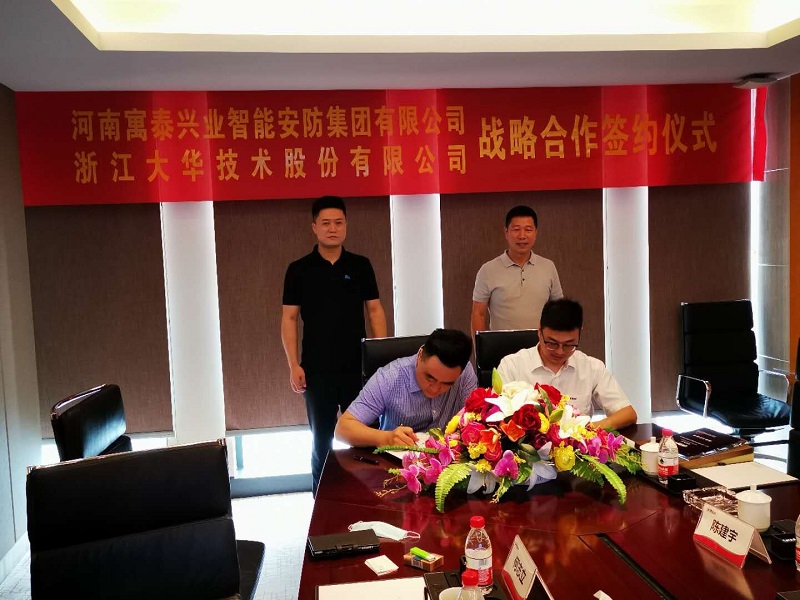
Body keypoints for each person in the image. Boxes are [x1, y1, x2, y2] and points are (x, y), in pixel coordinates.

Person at [281, 195, 387, 495]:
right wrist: (293, 364)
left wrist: (379, 359)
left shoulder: (361, 265)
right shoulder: (299, 269)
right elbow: (289, 318)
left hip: (358, 368)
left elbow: (375, 311)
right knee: (321, 442)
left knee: (367, 437)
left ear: (346, 226)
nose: (332, 228)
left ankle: (371, 497)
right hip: (317, 370)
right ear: (314, 227)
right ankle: (321, 501)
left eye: (338, 223)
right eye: (326, 223)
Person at [497, 298, 636, 430]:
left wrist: (588, 429)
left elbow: (628, 413)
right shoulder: (512, 366)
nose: (560, 351)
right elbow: (497, 420)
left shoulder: (592, 367)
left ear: (579, 333)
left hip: (576, 445)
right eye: (552, 343)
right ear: (539, 331)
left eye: (569, 344)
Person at [335, 329, 477, 448]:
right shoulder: (388, 378)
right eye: (430, 378)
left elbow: (475, 419)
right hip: (396, 462)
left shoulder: (465, 374)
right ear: (420, 355)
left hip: (450, 463)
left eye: (447, 383)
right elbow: (342, 429)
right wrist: (386, 438)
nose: (435, 389)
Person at [472, 205, 563, 337]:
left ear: (536, 233)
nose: (522, 236)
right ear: (506, 232)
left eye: (528, 230)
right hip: (501, 346)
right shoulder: (488, 270)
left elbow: (559, 310)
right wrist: (480, 349)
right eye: (516, 229)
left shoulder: (548, 267)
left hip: (540, 345)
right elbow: (478, 314)